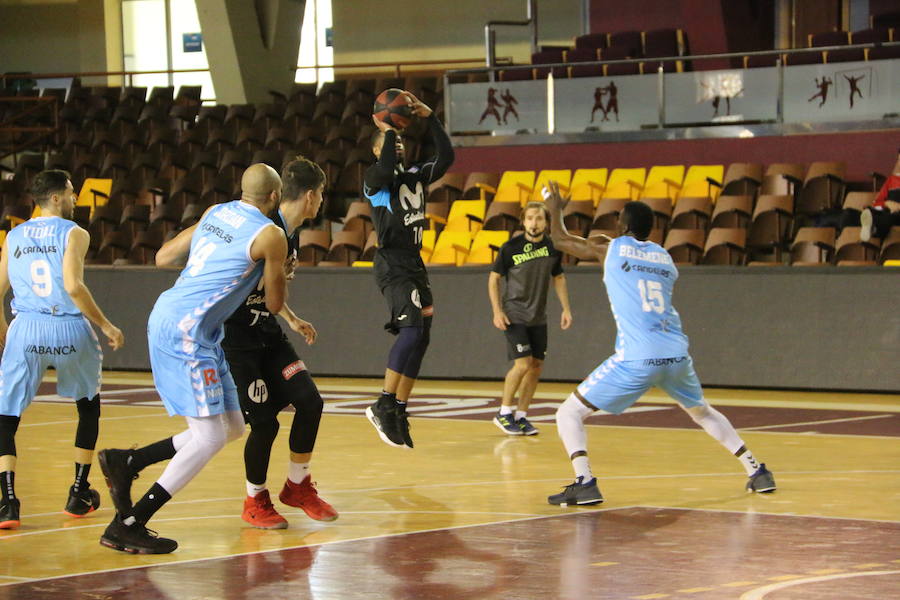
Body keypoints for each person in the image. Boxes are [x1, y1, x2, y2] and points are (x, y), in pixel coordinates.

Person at [542, 181, 775, 506]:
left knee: (568, 413)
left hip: (637, 357)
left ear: (622, 225)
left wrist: (554, 211)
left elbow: (560, 240)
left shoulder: (611, 247)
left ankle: (585, 482)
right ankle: (757, 471)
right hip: (676, 353)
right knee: (703, 412)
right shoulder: (665, 257)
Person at [97, 163, 288, 553]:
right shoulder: (272, 235)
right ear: (274, 196)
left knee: (234, 426)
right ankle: (129, 523)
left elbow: (163, 257)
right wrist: (282, 270)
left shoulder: (216, 212)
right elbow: (273, 303)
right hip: (185, 330)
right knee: (210, 435)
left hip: (197, 329)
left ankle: (129, 462)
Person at [0, 170, 124, 530]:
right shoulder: (74, 233)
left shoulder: (15, 234)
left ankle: (8, 501)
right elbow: (73, 285)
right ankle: (79, 491)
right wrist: (106, 325)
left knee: (6, 416)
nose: (74, 199)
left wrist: (4, 325)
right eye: (71, 193)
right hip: (68, 327)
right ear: (55, 198)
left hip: (26, 327)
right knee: (88, 408)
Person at [221, 157, 337, 529]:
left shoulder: (289, 233)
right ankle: (254, 499)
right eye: (320, 195)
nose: (321, 202)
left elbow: (268, 292)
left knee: (309, 400)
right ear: (309, 196)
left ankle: (298, 486)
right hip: (237, 340)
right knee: (265, 423)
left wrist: (290, 317)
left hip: (267, 330)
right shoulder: (266, 229)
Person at [363, 90, 454, 449]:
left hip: (414, 262)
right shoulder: (375, 180)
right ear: (378, 147)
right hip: (392, 262)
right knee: (411, 333)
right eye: (391, 142)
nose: (398, 145)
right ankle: (383, 402)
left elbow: (447, 157)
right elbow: (386, 167)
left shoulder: (416, 175)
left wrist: (430, 117)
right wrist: (387, 129)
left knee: (423, 337)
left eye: (401, 140)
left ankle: (399, 406)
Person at [488, 201, 572, 436]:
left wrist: (566, 309)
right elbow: (494, 279)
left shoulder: (552, 247)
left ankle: (522, 416)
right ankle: (504, 412)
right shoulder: (510, 248)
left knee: (536, 367)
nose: (534, 223)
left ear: (546, 223)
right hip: (515, 313)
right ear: (523, 221)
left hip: (538, 316)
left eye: (539, 218)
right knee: (523, 363)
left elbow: (559, 278)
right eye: (530, 218)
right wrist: (497, 311)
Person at [860, 149, 900, 242]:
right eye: (899, 160)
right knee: (851, 213)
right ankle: (871, 222)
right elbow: (877, 202)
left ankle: (873, 227)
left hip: (896, 215)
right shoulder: (892, 180)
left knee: (889, 218)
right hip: (887, 211)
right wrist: (887, 203)